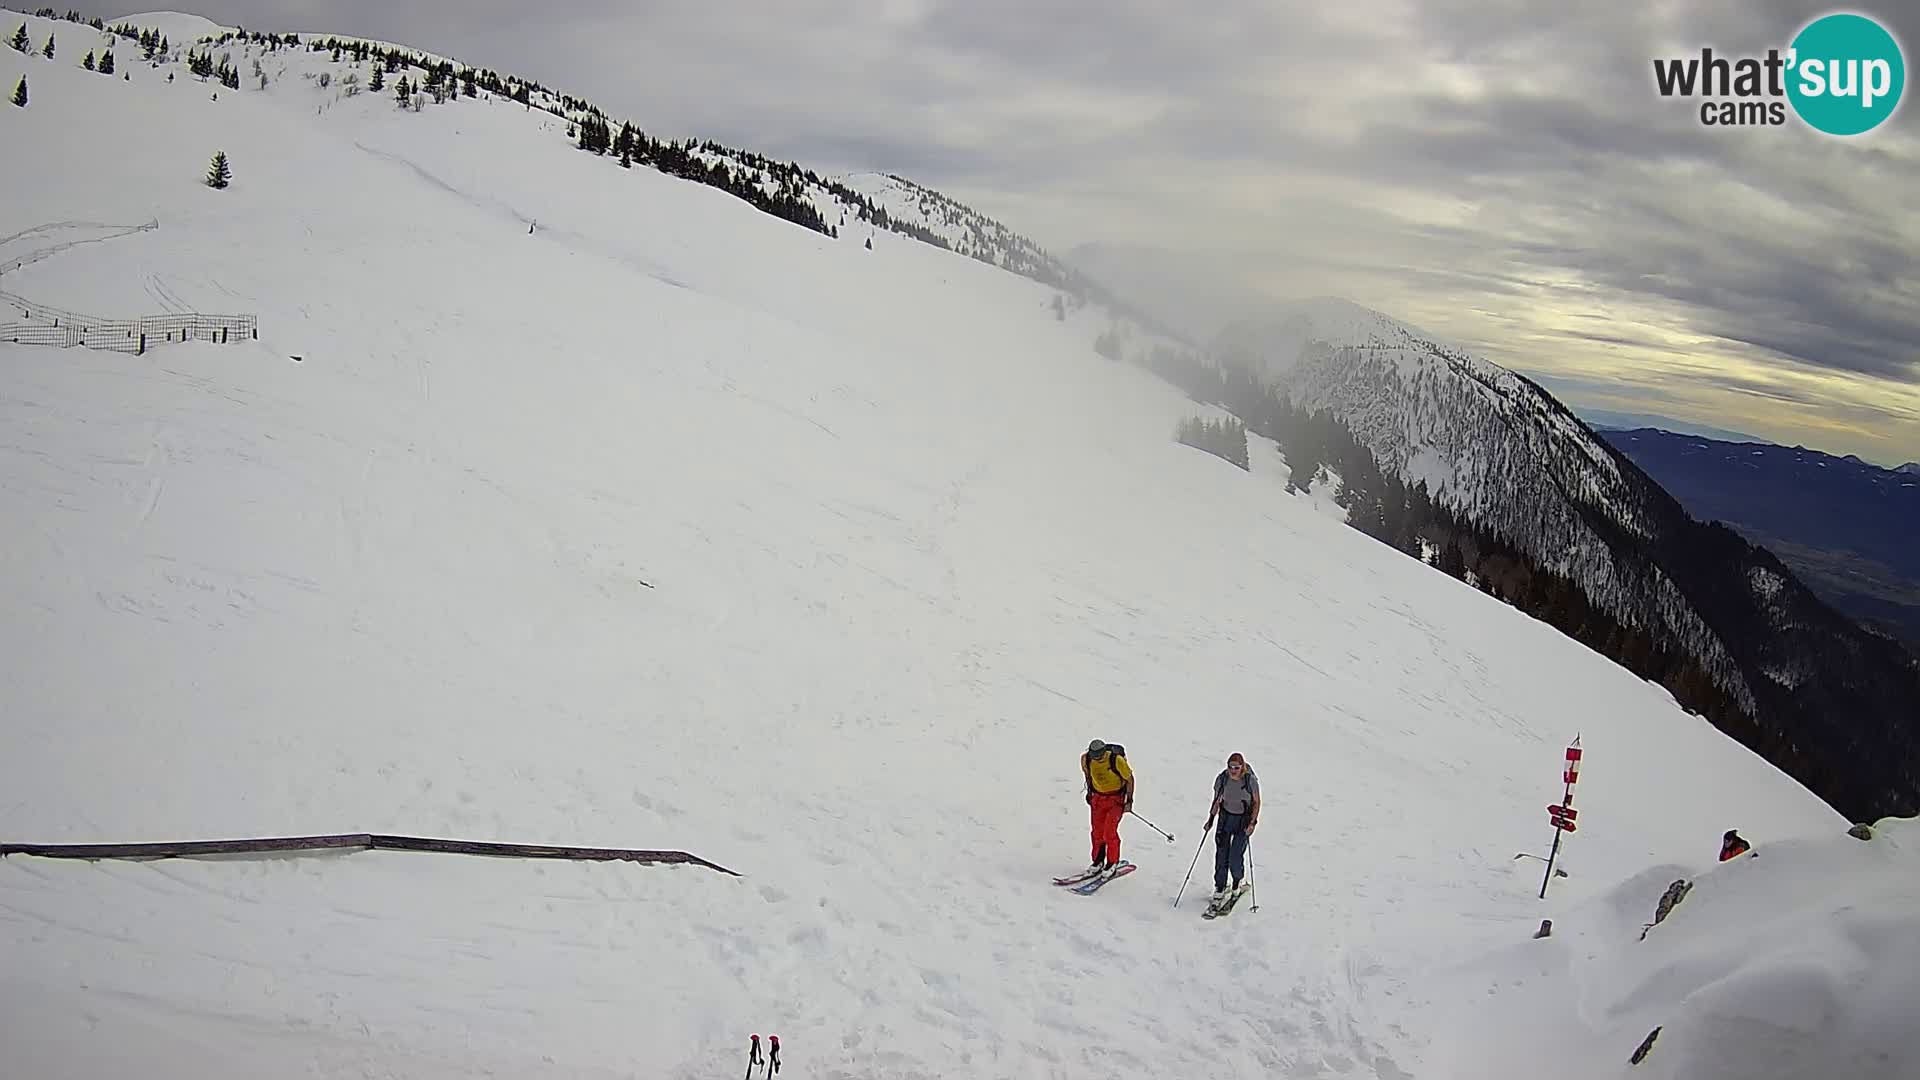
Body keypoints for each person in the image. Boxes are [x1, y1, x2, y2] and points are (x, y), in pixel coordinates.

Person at [1205, 752, 1260, 903]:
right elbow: (1217, 800)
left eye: (1236, 767)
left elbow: (1256, 802)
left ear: (1242, 767)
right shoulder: (1222, 779)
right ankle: (1220, 886)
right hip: (1225, 818)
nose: (1233, 770)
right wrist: (1210, 819)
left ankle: (1237, 881)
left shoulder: (1250, 781)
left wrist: (1252, 823)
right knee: (1221, 854)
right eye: (1230, 767)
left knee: (1235, 856)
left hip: (1243, 820)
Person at [1080, 739, 1134, 873]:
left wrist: (1129, 801)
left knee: (1109, 833)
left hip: (1116, 800)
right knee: (1097, 832)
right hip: (1097, 799)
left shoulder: (1116, 760)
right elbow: (1088, 775)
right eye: (1094, 756)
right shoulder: (1086, 759)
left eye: (1099, 756)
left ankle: (1112, 863)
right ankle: (1097, 861)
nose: (1097, 759)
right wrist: (1089, 792)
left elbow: (1129, 779)